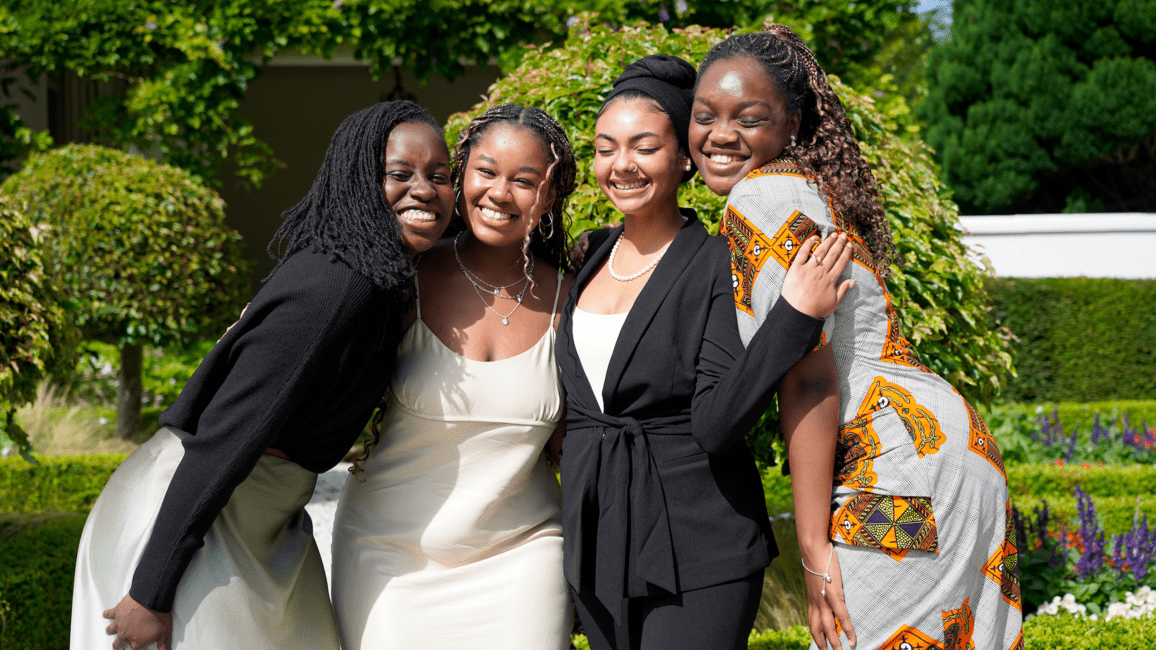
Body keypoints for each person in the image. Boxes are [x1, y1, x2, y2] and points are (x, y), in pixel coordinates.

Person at [71, 100, 455, 650]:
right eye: (399, 174)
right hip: (196, 519)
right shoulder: (335, 287)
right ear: (356, 181)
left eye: (439, 177)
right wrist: (151, 593)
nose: (424, 190)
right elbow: (221, 439)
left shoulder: (374, 279)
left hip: (266, 523)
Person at [690, 25, 1023, 650]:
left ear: (794, 122)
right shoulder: (812, 191)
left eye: (749, 117)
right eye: (704, 116)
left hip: (893, 466)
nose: (721, 134)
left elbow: (807, 374)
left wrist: (813, 549)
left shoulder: (757, 201)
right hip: (954, 449)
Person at [555, 54, 854, 650]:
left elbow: (720, 420)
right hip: (597, 541)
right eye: (605, 147)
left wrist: (794, 319)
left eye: (644, 147)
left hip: (698, 547)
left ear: (683, 158)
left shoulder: (719, 261)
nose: (621, 166)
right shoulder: (585, 258)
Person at [330, 103, 577, 650]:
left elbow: (575, 446)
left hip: (523, 557)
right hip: (386, 556)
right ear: (461, 174)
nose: (499, 193)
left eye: (525, 181)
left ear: (551, 196)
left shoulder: (572, 298)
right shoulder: (402, 275)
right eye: (486, 171)